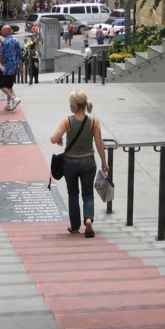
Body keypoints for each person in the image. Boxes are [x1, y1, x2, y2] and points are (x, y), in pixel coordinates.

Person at [50, 90, 110, 238]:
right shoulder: (94, 122)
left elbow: (53, 138)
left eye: (71, 103)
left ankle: (75, 226)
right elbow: (99, 144)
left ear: (75, 106)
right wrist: (104, 162)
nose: (70, 106)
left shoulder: (68, 121)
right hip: (88, 161)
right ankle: (88, 219)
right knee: (88, 193)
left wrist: (59, 139)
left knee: (73, 194)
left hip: (70, 162)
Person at [0, 24, 22, 111]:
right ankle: (8, 104)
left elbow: (0, 55)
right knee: (9, 86)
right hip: (14, 67)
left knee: (2, 85)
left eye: (2, 30)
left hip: (6, 67)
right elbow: (19, 55)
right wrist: (20, 67)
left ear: (7, 31)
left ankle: (13, 98)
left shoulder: (4, 41)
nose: (1, 32)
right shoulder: (16, 41)